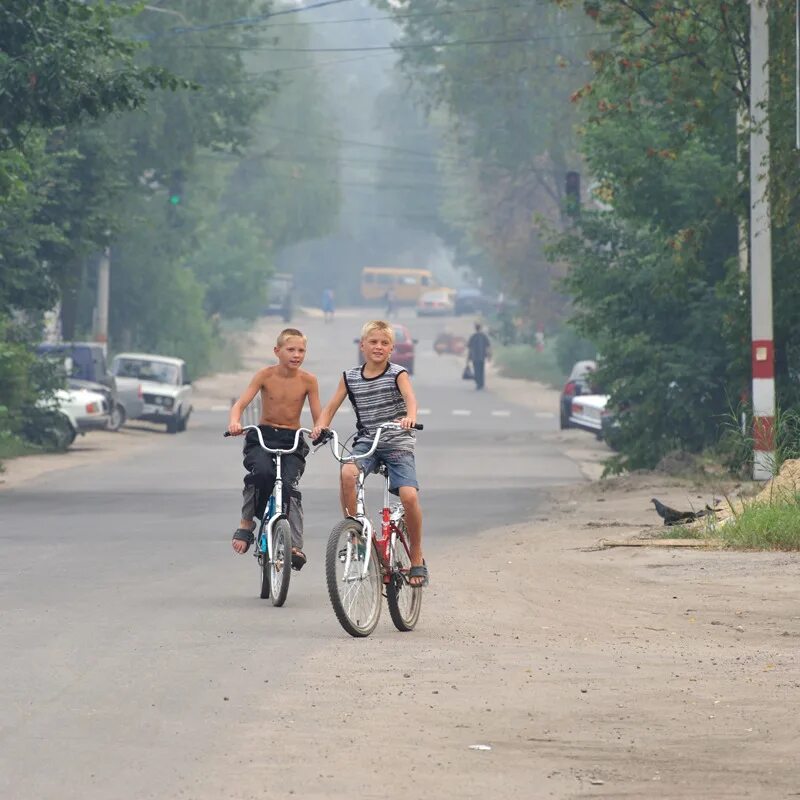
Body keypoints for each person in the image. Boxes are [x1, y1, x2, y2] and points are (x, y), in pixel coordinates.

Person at [312, 319, 428, 587]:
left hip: (398, 441)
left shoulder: (398, 373)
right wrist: (321, 425)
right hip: (367, 441)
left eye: (384, 343)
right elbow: (329, 408)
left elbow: (410, 398)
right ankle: (355, 534)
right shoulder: (350, 377)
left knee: (409, 496)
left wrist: (410, 417)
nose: (378, 347)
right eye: (373, 342)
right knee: (347, 472)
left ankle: (417, 556)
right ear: (362, 345)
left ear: (392, 349)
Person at [227, 328, 321, 569]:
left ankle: (295, 545)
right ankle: (247, 522)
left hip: (292, 438)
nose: (296, 354)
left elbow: (318, 415)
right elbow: (240, 404)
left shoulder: (308, 380)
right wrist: (235, 422)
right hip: (264, 435)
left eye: (301, 350)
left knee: (289, 487)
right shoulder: (264, 376)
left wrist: (320, 428)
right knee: (260, 474)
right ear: (277, 351)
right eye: (291, 349)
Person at [466, 322, 492, 390]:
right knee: (481, 370)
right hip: (482, 356)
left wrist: (468, 358)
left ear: (475, 328)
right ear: (481, 328)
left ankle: (478, 384)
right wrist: (489, 356)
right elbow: (488, 347)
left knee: (476, 370)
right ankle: (482, 384)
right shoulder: (484, 336)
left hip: (474, 356)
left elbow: (469, 347)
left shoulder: (473, 336)